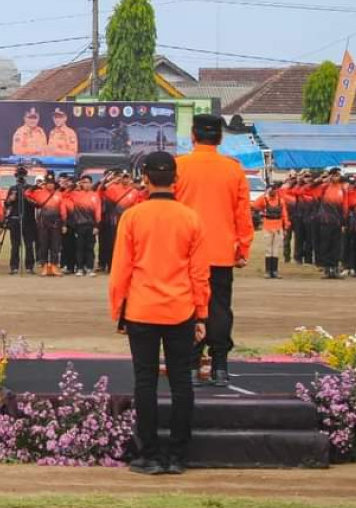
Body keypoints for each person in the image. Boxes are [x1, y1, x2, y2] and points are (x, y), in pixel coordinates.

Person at [109, 151, 208, 476]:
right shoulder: (190, 218)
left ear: (146, 179)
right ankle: (178, 454)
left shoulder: (133, 217)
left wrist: (118, 311)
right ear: (175, 179)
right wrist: (202, 315)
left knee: (145, 381)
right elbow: (199, 273)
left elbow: (120, 271)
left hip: (141, 308)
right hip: (181, 309)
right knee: (182, 382)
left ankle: (148, 453)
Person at [175, 114, 252, 387]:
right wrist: (243, 247)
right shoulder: (233, 169)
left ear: (193, 136)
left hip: (185, 252)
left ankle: (192, 366)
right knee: (220, 308)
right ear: (219, 138)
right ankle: (220, 366)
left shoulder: (179, 166)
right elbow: (242, 212)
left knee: (188, 308)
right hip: (220, 251)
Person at [100, 171, 144, 273]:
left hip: (129, 220)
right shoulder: (113, 188)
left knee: (129, 243)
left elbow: (137, 205)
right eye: (124, 177)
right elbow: (102, 190)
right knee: (113, 243)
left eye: (127, 177)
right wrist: (112, 181)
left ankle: (127, 266)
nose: (125, 179)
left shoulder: (134, 192)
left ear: (130, 179)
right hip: (115, 219)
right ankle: (111, 266)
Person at [312, 169, 349, 278]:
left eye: (337, 175)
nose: (335, 177)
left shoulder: (343, 189)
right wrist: (318, 181)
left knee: (336, 246)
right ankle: (327, 269)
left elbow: (345, 206)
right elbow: (310, 190)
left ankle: (334, 268)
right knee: (325, 245)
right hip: (325, 221)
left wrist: (344, 221)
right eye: (333, 175)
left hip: (337, 221)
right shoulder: (324, 187)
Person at [63, 175, 102, 276]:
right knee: (79, 247)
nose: (86, 184)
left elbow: (98, 211)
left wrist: (97, 226)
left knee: (90, 247)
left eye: (88, 182)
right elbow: (65, 194)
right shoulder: (75, 194)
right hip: (79, 225)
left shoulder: (95, 195)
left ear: (91, 183)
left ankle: (89, 268)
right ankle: (80, 268)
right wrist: (74, 185)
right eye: (84, 182)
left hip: (91, 225)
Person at [27, 174, 64, 276]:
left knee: (55, 246)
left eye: (52, 184)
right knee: (43, 245)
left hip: (56, 223)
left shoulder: (59, 194)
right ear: (45, 184)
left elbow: (62, 209)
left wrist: (64, 223)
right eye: (48, 183)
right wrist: (36, 186)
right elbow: (27, 194)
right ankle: (44, 267)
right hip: (43, 223)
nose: (50, 185)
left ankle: (54, 266)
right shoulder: (39, 193)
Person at [3, 166, 38, 275]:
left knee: (28, 244)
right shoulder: (12, 188)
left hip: (28, 220)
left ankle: (30, 266)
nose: (20, 178)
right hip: (15, 219)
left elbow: (36, 204)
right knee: (15, 244)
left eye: (22, 175)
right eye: (19, 176)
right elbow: (6, 204)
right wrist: (10, 199)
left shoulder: (31, 188)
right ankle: (14, 266)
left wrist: (28, 197)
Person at [253, 184, 289, 280]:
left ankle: (275, 271)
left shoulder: (280, 200)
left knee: (275, 250)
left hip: (277, 227)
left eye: (274, 190)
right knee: (269, 250)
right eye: (271, 190)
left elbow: (284, 214)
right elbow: (254, 205)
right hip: (268, 226)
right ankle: (268, 271)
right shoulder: (265, 199)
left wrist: (286, 226)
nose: (273, 192)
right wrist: (264, 194)